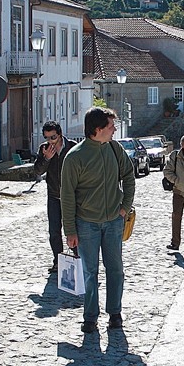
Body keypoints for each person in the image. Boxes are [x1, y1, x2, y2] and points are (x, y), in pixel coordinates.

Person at [61, 107, 135, 334]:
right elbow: (67, 196)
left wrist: (124, 208)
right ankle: (90, 317)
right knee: (89, 272)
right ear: (98, 129)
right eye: (111, 126)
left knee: (116, 270)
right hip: (86, 224)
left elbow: (129, 177)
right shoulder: (75, 157)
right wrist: (70, 231)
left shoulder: (115, 149)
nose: (114, 130)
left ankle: (115, 313)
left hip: (114, 222)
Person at [33, 121, 77, 274]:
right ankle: (58, 261)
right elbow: (38, 170)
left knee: (73, 229)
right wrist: (46, 158)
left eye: (53, 137)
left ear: (60, 134)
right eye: (47, 138)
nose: (50, 141)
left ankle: (79, 259)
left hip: (72, 197)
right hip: (53, 196)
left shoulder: (72, 147)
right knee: (54, 231)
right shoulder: (44, 149)